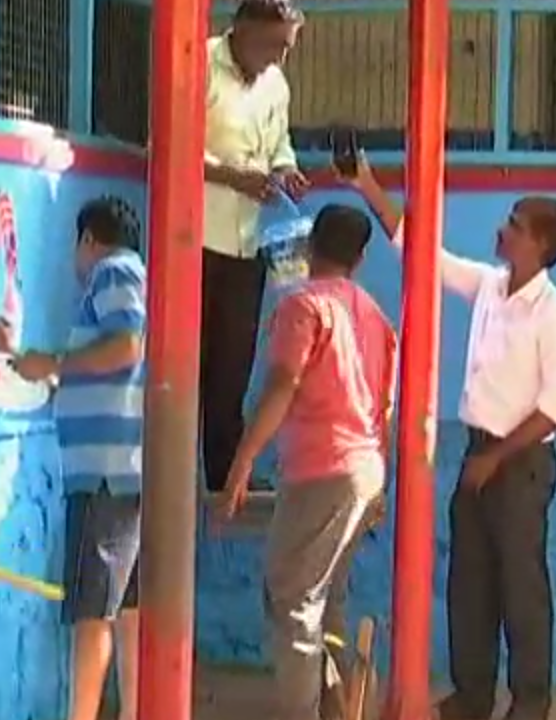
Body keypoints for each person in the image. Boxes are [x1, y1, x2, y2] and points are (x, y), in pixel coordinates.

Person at [341, 153, 556, 720]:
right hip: (481, 454)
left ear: (540, 245)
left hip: (518, 464)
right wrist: (369, 187)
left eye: (516, 226)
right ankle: (471, 697)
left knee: (521, 590)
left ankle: (529, 704)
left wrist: (494, 459)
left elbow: (554, 409)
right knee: (469, 585)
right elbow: (423, 256)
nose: (504, 230)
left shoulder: (555, 315)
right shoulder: (490, 286)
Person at [221, 205, 396, 720]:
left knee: (292, 599)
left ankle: (307, 710)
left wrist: (242, 461)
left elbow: (282, 385)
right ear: (361, 258)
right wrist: (377, 478)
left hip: (321, 469)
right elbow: (384, 407)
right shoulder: (375, 316)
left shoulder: (303, 307)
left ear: (309, 245)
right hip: (363, 467)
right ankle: (334, 705)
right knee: (326, 596)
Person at [0, 198, 146, 720]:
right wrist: (20, 356)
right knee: (127, 609)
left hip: (104, 475)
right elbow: (83, 376)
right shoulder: (133, 279)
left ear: (88, 240)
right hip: (128, 471)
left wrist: (53, 360)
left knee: (93, 613)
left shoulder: (113, 272)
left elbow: (127, 347)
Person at [201, 0, 311, 493]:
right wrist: (231, 177)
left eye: (287, 49)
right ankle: (169, 471)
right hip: (196, 240)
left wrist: (284, 170)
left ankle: (225, 474)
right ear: (243, 28)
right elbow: (169, 145)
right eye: (274, 45)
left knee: (233, 367)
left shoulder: (276, 86)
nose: (279, 59)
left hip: (248, 245)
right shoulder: (199, 62)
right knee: (184, 368)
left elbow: (279, 144)